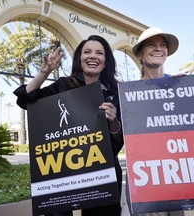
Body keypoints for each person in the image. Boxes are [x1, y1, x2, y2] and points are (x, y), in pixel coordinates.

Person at [14, 35, 123, 216]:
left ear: (106, 62)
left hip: (104, 175)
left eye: (99, 53)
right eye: (87, 52)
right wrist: (44, 72)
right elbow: (25, 100)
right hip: (62, 172)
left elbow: (118, 144)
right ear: (80, 59)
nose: (93, 56)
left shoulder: (116, 93)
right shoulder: (63, 85)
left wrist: (113, 122)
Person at [126, 27, 194, 216]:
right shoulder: (128, 93)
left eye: (162, 45)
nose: (158, 49)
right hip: (146, 177)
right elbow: (125, 135)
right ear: (139, 53)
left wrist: (186, 96)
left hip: (184, 173)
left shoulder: (182, 86)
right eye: (151, 44)